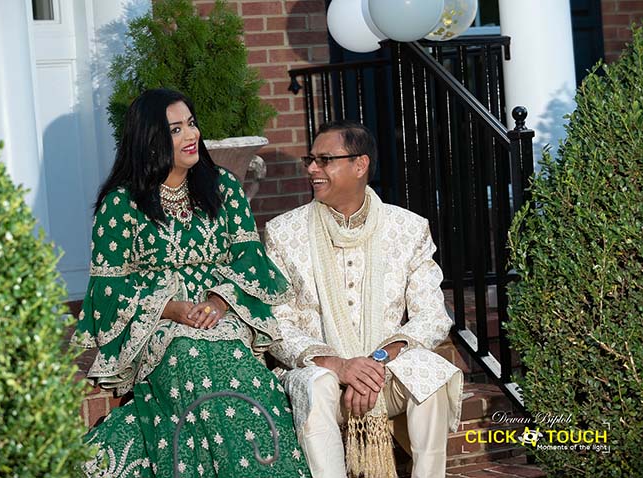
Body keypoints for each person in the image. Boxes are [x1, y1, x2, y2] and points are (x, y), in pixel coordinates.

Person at [71, 88, 311, 478]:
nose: (191, 135)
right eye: (176, 129)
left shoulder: (224, 188)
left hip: (223, 315)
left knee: (236, 367)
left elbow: (250, 259)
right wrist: (170, 309)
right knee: (188, 354)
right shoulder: (121, 204)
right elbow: (108, 290)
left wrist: (217, 302)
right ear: (150, 141)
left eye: (192, 124)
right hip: (157, 325)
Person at [264, 120, 463, 478]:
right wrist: (339, 366)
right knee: (318, 383)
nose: (312, 169)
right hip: (319, 375)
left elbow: (433, 315)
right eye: (310, 159)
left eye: (325, 160)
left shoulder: (408, 229)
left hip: (382, 374)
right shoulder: (283, 232)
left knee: (430, 372)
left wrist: (375, 362)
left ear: (360, 165)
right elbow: (276, 322)